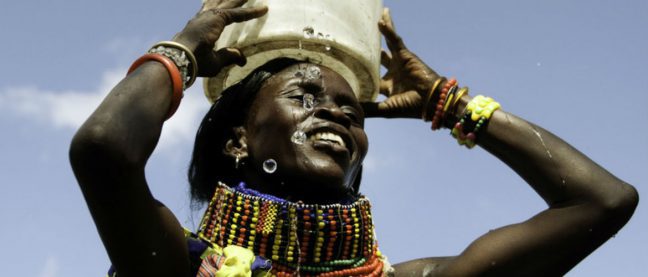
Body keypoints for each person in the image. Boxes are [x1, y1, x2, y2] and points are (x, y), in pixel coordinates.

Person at [69, 0, 638, 276]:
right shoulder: (177, 265)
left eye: (350, 109)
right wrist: (184, 52)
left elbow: (601, 202)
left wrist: (449, 101)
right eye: (306, 97)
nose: (339, 115)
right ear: (238, 139)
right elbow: (103, 149)